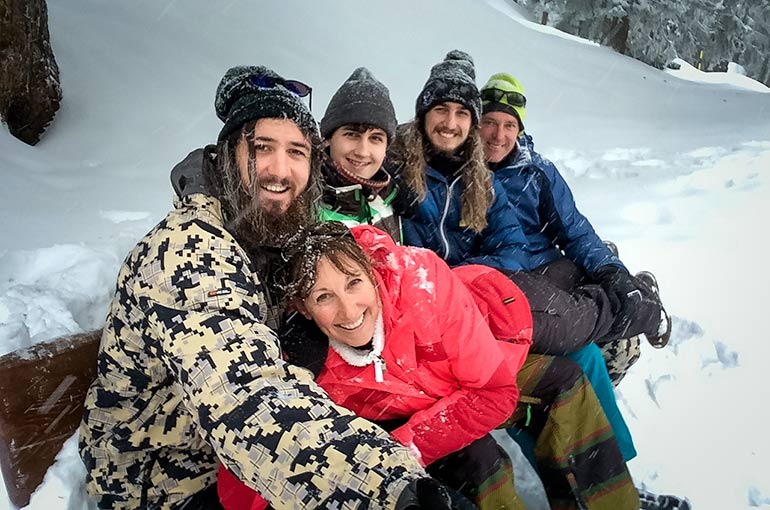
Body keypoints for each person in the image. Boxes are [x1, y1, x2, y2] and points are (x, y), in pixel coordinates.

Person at [78, 65, 463, 510]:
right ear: (227, 157)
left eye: (297, 152)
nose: (281, 171)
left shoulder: (274, 235)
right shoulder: (189, 251)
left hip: (242, 468)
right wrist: (391, 491)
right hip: (169, 483)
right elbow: (249, 404)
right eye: (262, 148)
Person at [220, 222, 642, 510]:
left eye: (353, 284)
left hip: (484, 352)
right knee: (479, 460)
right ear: (303, 308)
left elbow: (494, 392)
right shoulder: (310, 369)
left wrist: (405, 447)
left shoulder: (422, 284)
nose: (349, 310)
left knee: (566, 379)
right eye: (323, 297)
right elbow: (252, 464)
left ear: (372, 273)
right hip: (422, 406)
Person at [477, 72, 672, 385]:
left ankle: (636, 302)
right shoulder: (462, 175)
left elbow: (574, 230)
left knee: (611, 322)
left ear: (519, 129)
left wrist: (612, 271)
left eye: (509, 125)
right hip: (510, 283)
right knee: (582, 325)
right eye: (490, 122)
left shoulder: (536, 171)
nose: (499, 134)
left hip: (550, 269)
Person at [317, 66, 410, 242]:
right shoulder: (306, 201)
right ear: (328, 138)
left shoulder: (389, 200)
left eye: (375, 138)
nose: (362, 151)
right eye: (351, 134)